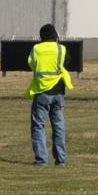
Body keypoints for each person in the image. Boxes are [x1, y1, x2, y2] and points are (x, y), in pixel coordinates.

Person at [27, 23, 73, 166]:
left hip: (41, 91)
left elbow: (31, 64)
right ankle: (61, 160)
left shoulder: (36, 49)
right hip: (58, 92)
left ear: (41, 37)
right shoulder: (61, 49)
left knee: (38, 126)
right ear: (56, 35)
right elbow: (68, 62)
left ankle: (41, 159)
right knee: (58, 126)